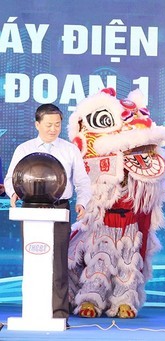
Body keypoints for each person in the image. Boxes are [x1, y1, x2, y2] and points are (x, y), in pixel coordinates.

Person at [3, 104, 92, 325]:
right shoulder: (24, 149)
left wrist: (82, 202)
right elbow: (10, 178)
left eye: (57, 125)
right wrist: (14, 192)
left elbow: (82, 182)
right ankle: (32, 311)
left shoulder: (69, 150)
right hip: (31, 208)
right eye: (49, 124)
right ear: (37, 124)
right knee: (33, 260)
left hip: (59, 208)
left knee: (58, 263)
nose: (53, 129)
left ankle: (59, 314)